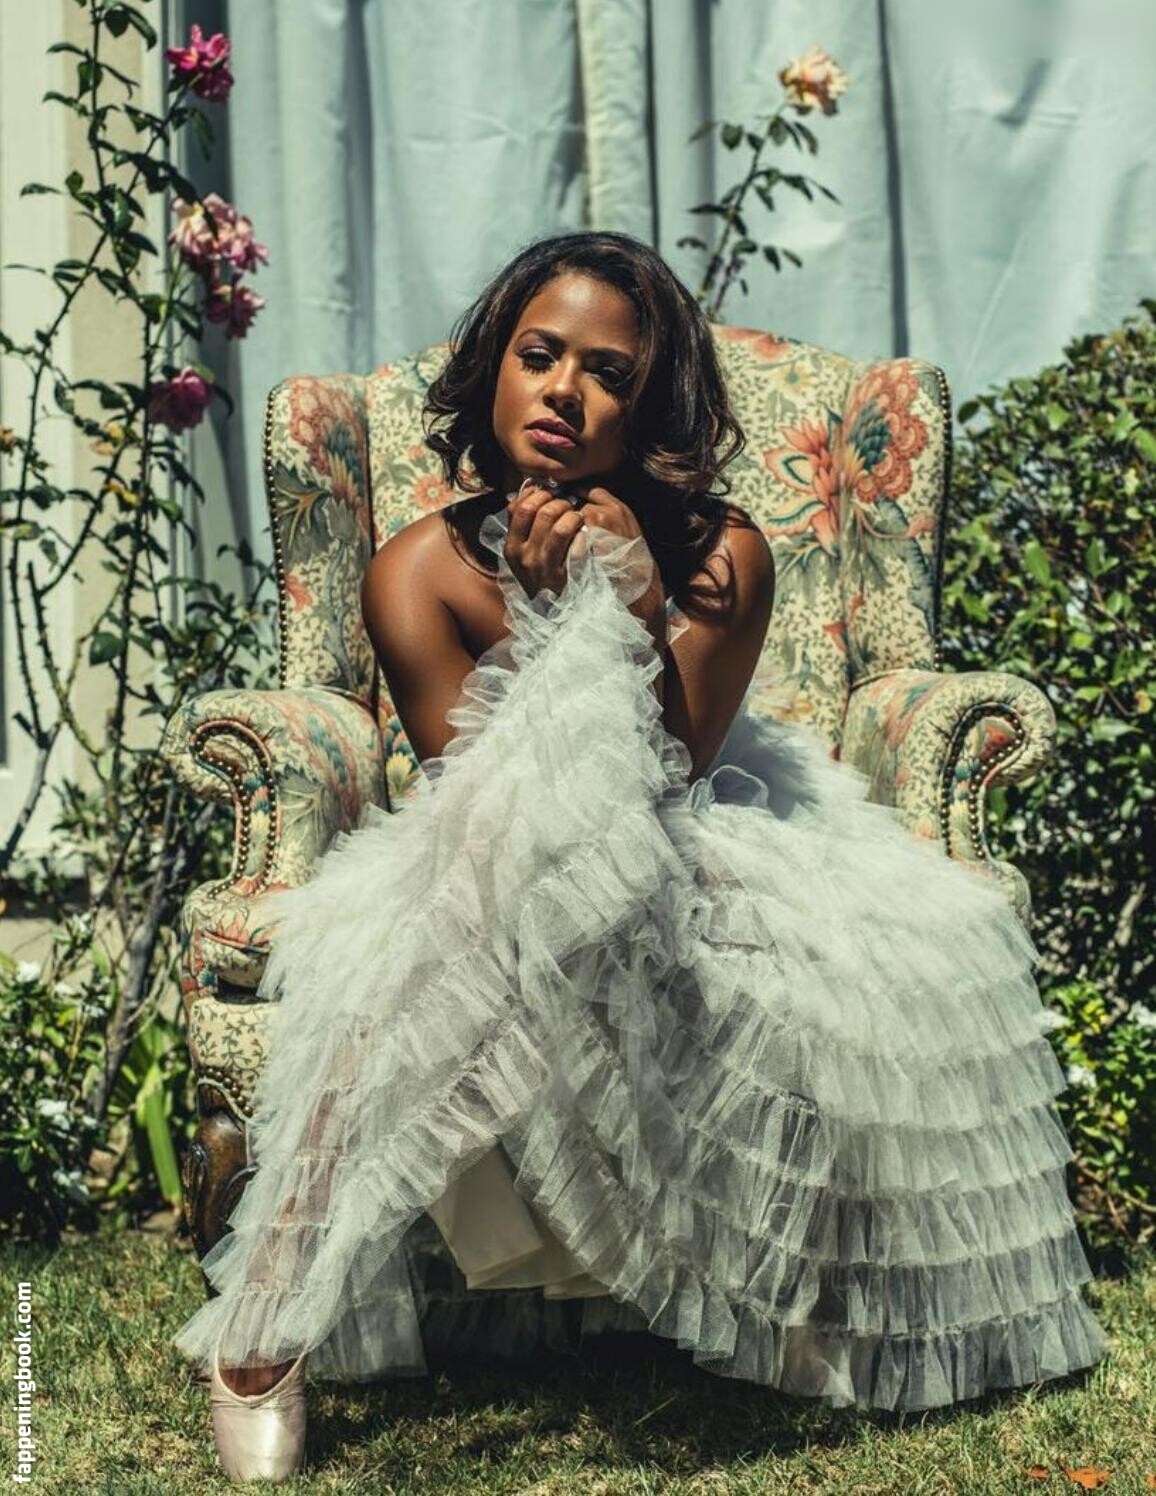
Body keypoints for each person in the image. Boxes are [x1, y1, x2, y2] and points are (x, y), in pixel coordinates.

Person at [173, 230, 1111, 1482]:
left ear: (649, 405)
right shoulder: (415, 569)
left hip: (699, 830)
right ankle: (268, 1315)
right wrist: (544, 615)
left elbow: (670, 770)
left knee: (530, 927)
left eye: (606, 373)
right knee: (404, 935)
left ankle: (785, 1293)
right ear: (493, 372)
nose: (563, 391)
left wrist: (619, 606)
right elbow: (482, 794)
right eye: (538, 356)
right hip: (496, 843)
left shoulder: (724, 552)